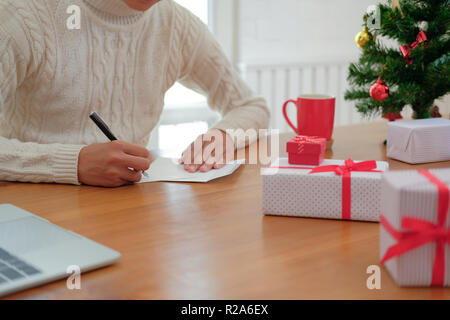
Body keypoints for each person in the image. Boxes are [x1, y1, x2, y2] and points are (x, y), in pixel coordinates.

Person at [0, 0, 269, 187]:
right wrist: (71, 163)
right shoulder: (21, 15)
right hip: (31, 207)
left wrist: (223, 136)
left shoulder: (176, 23)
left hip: (130, 205)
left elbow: (250, 106)